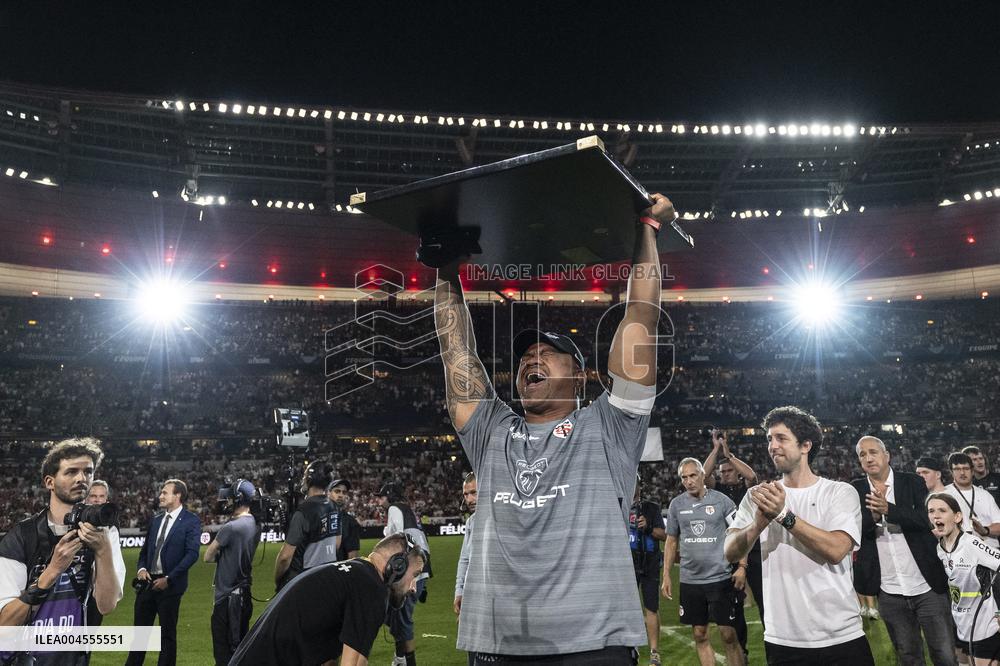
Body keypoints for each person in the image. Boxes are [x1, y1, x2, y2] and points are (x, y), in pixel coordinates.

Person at [431, 194, 672, 663]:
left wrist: (648, 228)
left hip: (592, 646)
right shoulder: (490, 430)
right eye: (524, 357)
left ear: (579, 374)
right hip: (497, 647)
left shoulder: (610, 425)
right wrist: (445, 269)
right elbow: (453, 348)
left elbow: (640, 318)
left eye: (547, 353)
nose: (531, 360)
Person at [725, 406, 874, 665]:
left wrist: (784, 515)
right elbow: (730, 551)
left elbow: (837, 550)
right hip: (783, 638)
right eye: (769, 439)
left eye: (781, 438)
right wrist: (757, 526)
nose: (773, 445)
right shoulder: (758, 496)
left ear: (806, 445)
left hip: (840, 634)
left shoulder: (839, 493)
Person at [0, 438, 125, 666]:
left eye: (88, 471)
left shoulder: (103, 534)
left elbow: (106, 605)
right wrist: (53, 570)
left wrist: (103, 550)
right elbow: (5, 624)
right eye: (71, 472)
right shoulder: (21, 537)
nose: (81, 478)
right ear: (50, 481)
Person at [229, 533, 428, 666]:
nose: (413, 587)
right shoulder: (372, 588)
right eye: (415, 574)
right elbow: (353, 663)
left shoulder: (356, 572)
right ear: (398, 565)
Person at [852, 436, 956, 665]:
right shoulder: (855, 490)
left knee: (945, 655)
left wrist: (889, 509)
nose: (868, 458)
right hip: (889, 590)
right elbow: (853, 531)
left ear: (886, 456)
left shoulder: (912, 482)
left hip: (927, 584)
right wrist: (874, 517)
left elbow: (925, 520)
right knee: (908, 657)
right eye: (862, 454)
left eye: (873, 452)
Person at [664, 458, 744, 666]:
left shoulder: (722, 501)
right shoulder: (676, 505)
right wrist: (666, 576)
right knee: (699, 634)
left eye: (692, 475)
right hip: (690, 580)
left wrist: (742, 567)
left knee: (728, 634)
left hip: (720, 578)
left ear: (702, 475)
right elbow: (671, 541)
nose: (689, 481)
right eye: (684, 477)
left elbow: (740, 534)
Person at [126, 479, 202, 666]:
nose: (160, 496)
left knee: (167, 635)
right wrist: (142, 569)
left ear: (178, 496)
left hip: (170, 585)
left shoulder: (191, 521)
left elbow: (192, 554)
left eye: (165, 492)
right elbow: (145, 551)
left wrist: (169, 578)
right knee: (140, 635)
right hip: (148, 582)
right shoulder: (157, 519)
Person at [704, 429, 761, 656]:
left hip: (753, 553)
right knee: (734, 610)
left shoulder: (745, 491)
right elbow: (703, 476)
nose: (726, 474)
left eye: (729, 471)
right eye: (723, 472)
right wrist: (716, 450)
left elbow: (752, 477)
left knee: (765, 602)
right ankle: (742, 651)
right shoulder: (717, 492)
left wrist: (729, 454)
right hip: (727, 557)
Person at [927, 493, 1000, 665]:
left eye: (942, 510)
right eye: (931, 511)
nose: (936, 515)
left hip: (983, 626)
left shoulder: (971, 544)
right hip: (960, 625)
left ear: (957, 516)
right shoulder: (940, 547)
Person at [204, 479, 259, 666]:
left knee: (224, 653)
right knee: (240, 649)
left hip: (228, 598)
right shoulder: (254, 523)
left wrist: (222, 556)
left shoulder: (231, 527)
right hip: (244, 594)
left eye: (229, 498)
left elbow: (208, 556)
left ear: (237, 498)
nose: (226, 502)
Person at [378, 482, 431, 666]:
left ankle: (406, 661)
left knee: (401, 619)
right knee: (395, 616)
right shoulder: (407, 510)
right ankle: (400, 657)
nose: (379, 500)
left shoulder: (394, 508)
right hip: (419, 568)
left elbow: (402, 539)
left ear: (390, 496)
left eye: (382, 496)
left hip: (409, 571)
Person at [274, 460, 341, 591]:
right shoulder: (334, 506)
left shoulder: (304, 511)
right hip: (328, 576)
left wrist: (278, 581)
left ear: (309, 480)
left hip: (305, 580)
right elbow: (336, 544)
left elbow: (284, 558)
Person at [629, 478, 666, 666]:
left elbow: (664, 534)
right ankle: (630, 648)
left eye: (634, 482)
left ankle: (654, 652)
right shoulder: (618, 506)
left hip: (650, 561)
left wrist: (649, 527)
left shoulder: (652, 507)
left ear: (639, 486)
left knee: (651, 607)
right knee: (628, 608)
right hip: (627, 564)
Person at [944, 453, 1000, 547]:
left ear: (972, 471)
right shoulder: (944, 494)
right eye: (957, 469)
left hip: (990, 550)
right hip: (960, 551)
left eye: (966, 468)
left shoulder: (985, 494)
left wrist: (985, 530)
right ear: (951, 472)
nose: (962, 473)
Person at [85, 479, 118, 628]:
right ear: (86, 498)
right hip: (69, 594)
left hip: (96, 595)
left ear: (106, 500)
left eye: (101, 496)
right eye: (93, 496)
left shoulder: (111, 529)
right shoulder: (73, 522)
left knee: (86, 647)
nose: (97, 500)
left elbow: (115, 565)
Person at [455, 472, 478, 666]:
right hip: (472, 598)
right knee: (473, 654)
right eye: (466, 494)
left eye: (474, 493)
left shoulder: (501, 519)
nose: (469, 499)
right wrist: (459, 591)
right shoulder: (471, 522)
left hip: (492, 602)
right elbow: (464, 559)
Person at [328, 478, 361, 561]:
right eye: (337, 491)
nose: (341, 495)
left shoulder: (350, 522)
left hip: (337, 572)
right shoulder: (316, 516)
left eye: (344, 492)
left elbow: (353, 557)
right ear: (328, 493)